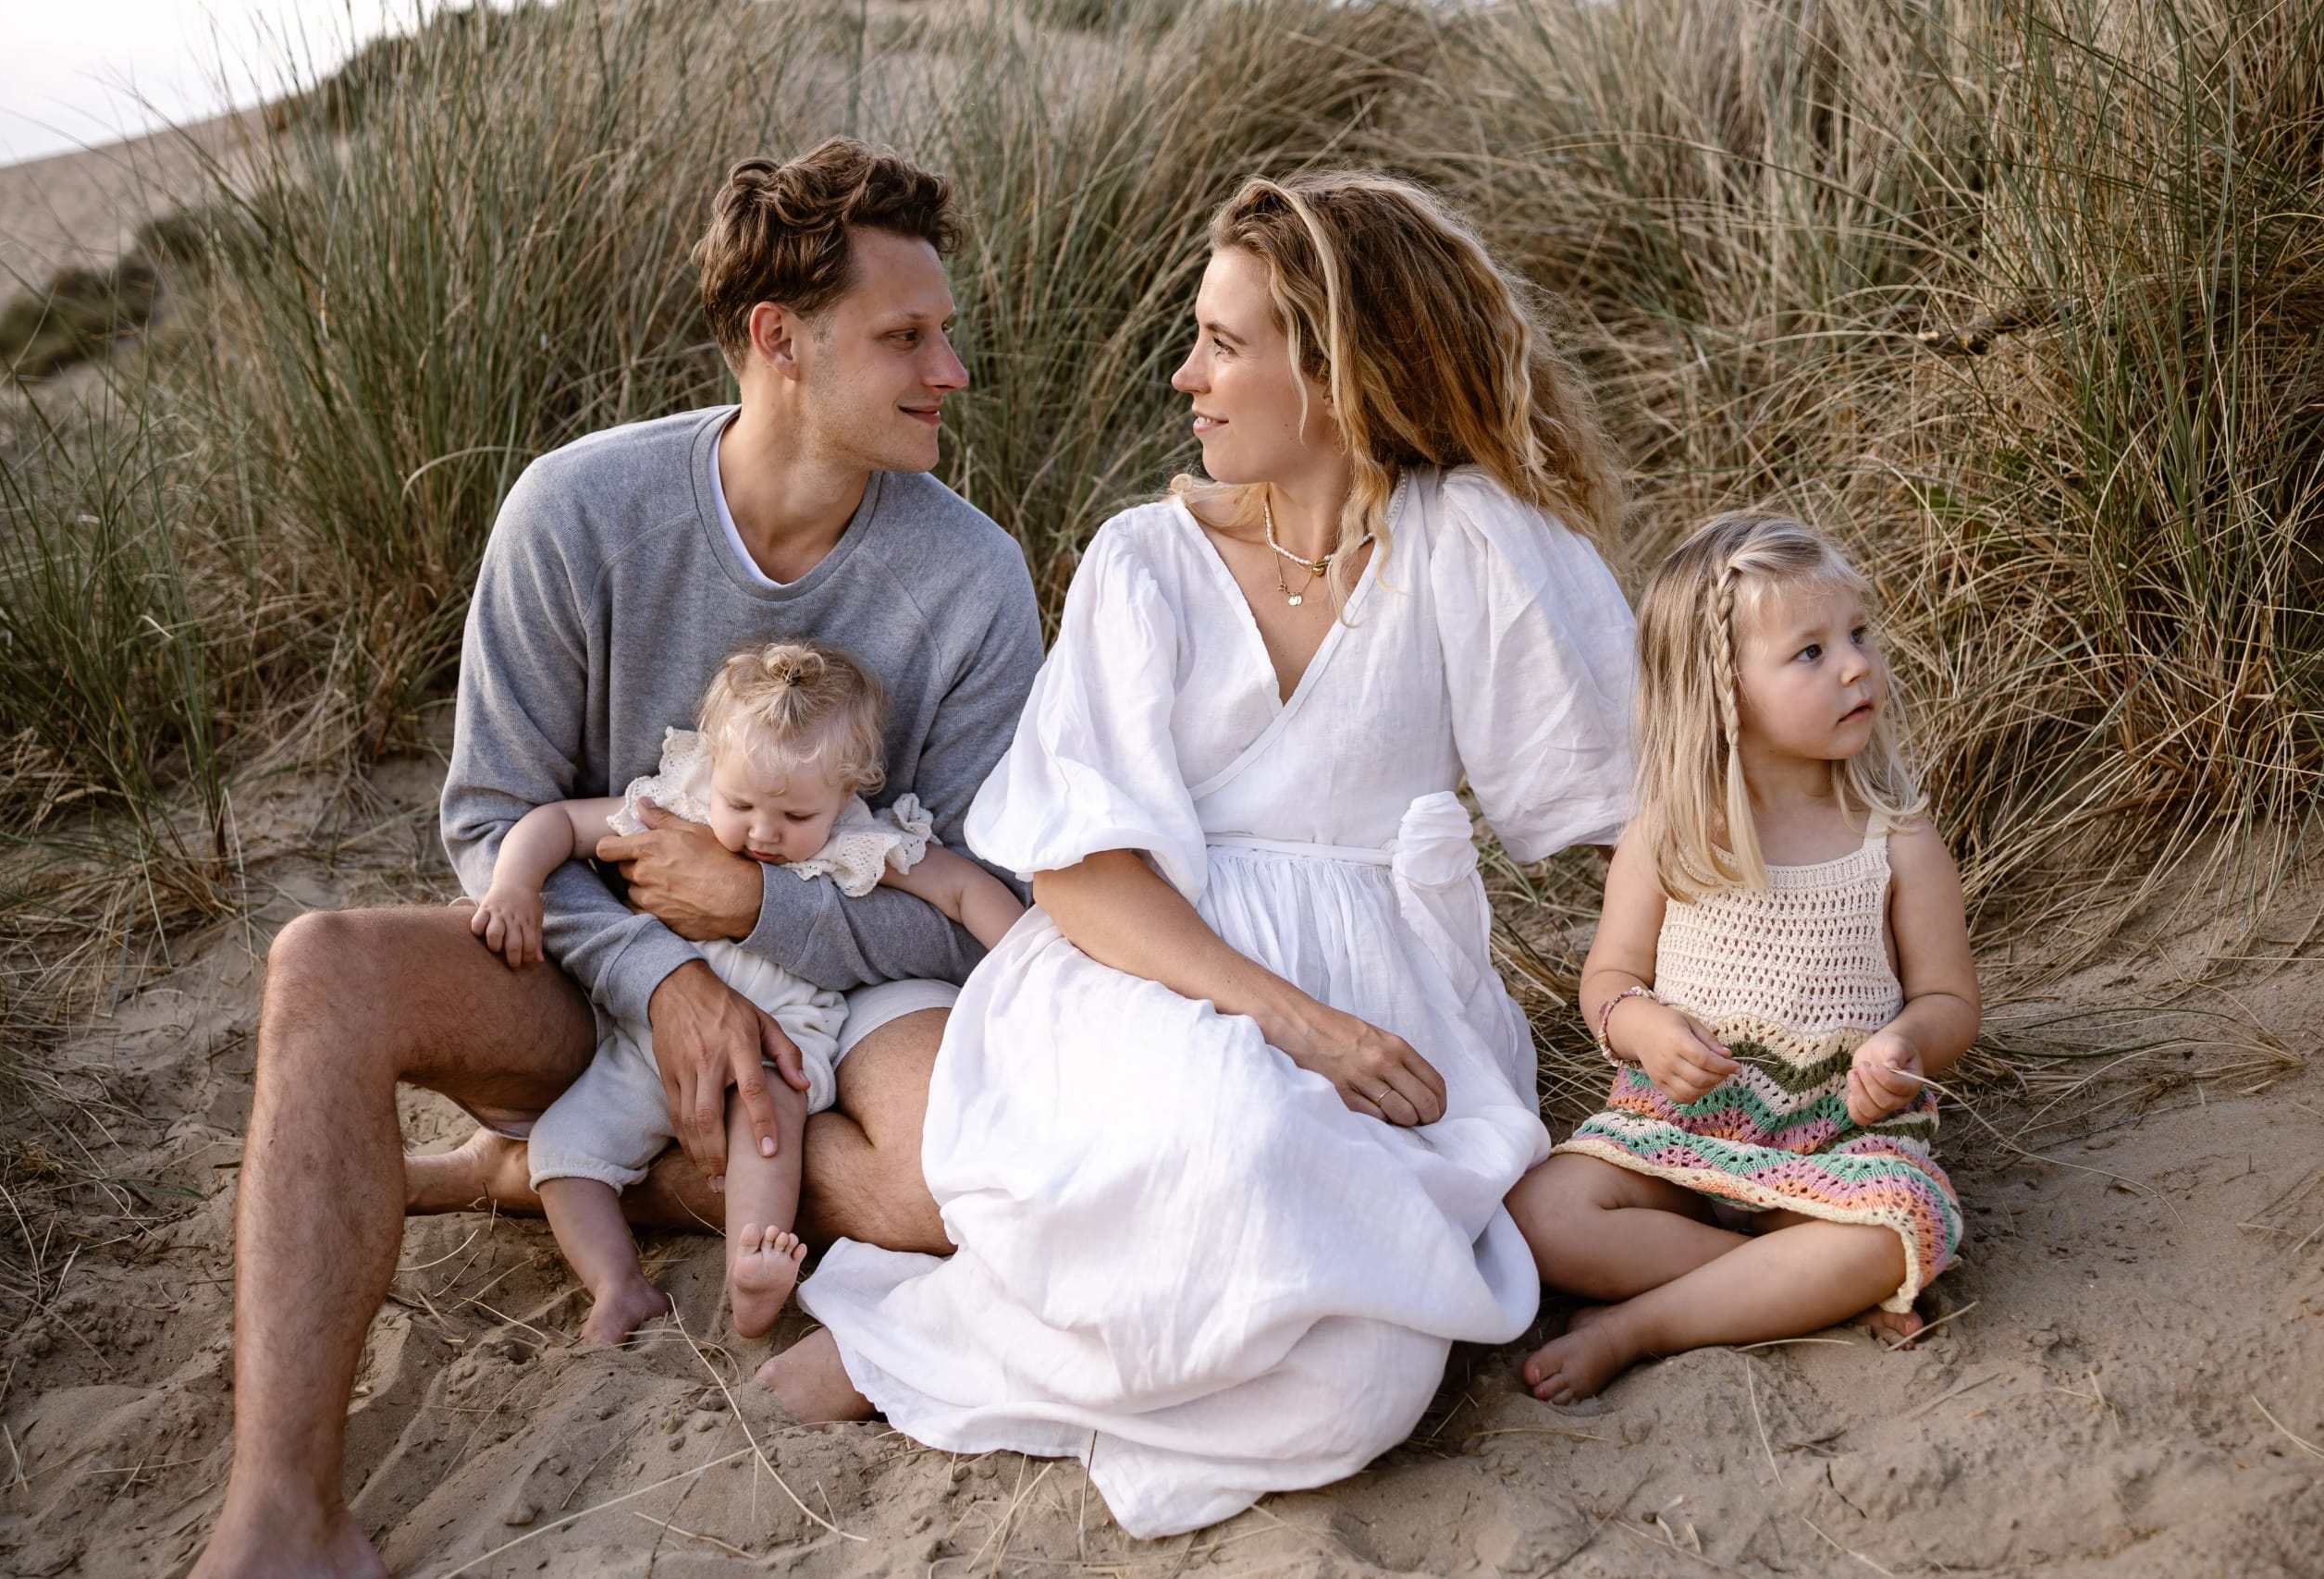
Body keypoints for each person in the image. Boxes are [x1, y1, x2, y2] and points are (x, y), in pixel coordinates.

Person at [189, 139, 1043, 1579]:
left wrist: (762, 907)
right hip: (581, 989)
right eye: (908, 335)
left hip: (843, 1016)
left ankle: (551, 1169)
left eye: (943, 330)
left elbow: (973, 915)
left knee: (947, 1192)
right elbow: (490, 816)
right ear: (780, 338)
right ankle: (282, 1511)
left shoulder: (972, 580)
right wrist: (662, 978)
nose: (949, 367)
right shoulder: (576, 511)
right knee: (320, 963)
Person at [755, 170, 1640, 1538]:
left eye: (1224, 344)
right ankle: (919, 1339)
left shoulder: (1470, 541)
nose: (1187, 376)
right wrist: (1300, 1024)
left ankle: (981, 1351)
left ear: (1339, 371)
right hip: (1148, 966)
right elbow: (1080, 871)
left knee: (1366, 1387)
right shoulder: (1144, 560)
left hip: (1388, 977)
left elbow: (1628, 799)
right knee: (1231, 1131)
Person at [1506, 512, 1980, 1404]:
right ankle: (1784, 1284)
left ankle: (1645, 1323)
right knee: (1540, 1215)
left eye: (1858, 634)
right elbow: (1606, 978)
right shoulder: (1668, 836)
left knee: (1891, 1226)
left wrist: (1907, 1045)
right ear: (1722, 689)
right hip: (1684, 1134)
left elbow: (1951, 997)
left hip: (1837, 1139)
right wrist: (1639, 1025)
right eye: (1809, 652)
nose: (1855, 664)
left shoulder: (1897, 840)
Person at [466, 639, 1023, 1344]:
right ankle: (616, 1283)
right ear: (713, 768)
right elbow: (559, 823)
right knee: (562, 1150)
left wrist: (1029, 964)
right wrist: (514, 882)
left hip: (785, 1030)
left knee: (767, 1126)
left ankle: (751, 1271)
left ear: (846, 792)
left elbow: (965, 887)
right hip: (654, 1029)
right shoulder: (682, 803)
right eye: (742, 804)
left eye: (793, 820)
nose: (764, 832)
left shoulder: (850, 837)